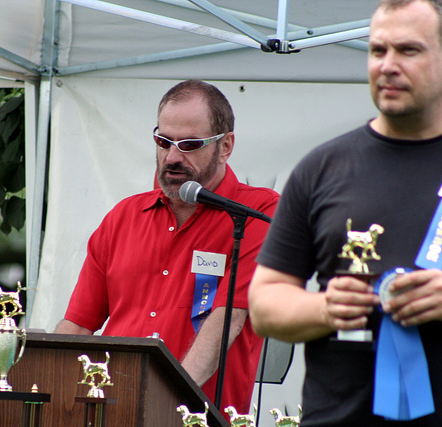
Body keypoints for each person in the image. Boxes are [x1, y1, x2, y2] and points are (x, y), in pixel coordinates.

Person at [248, 0, 442, 425]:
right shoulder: (322, 168)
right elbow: (264, 303)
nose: (388, 66)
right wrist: (325, 309)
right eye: (377, 50)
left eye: (409, 50)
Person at [55, 79, 279, 413]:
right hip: (113, 412)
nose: (172, 157)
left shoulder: (258, 214)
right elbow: (77, 325)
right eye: (163, 141)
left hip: (193, 416)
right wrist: (52, 390)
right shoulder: (123, 217)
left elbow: (229, 320)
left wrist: (162, 405)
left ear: (226, 146)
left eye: (189, 144)